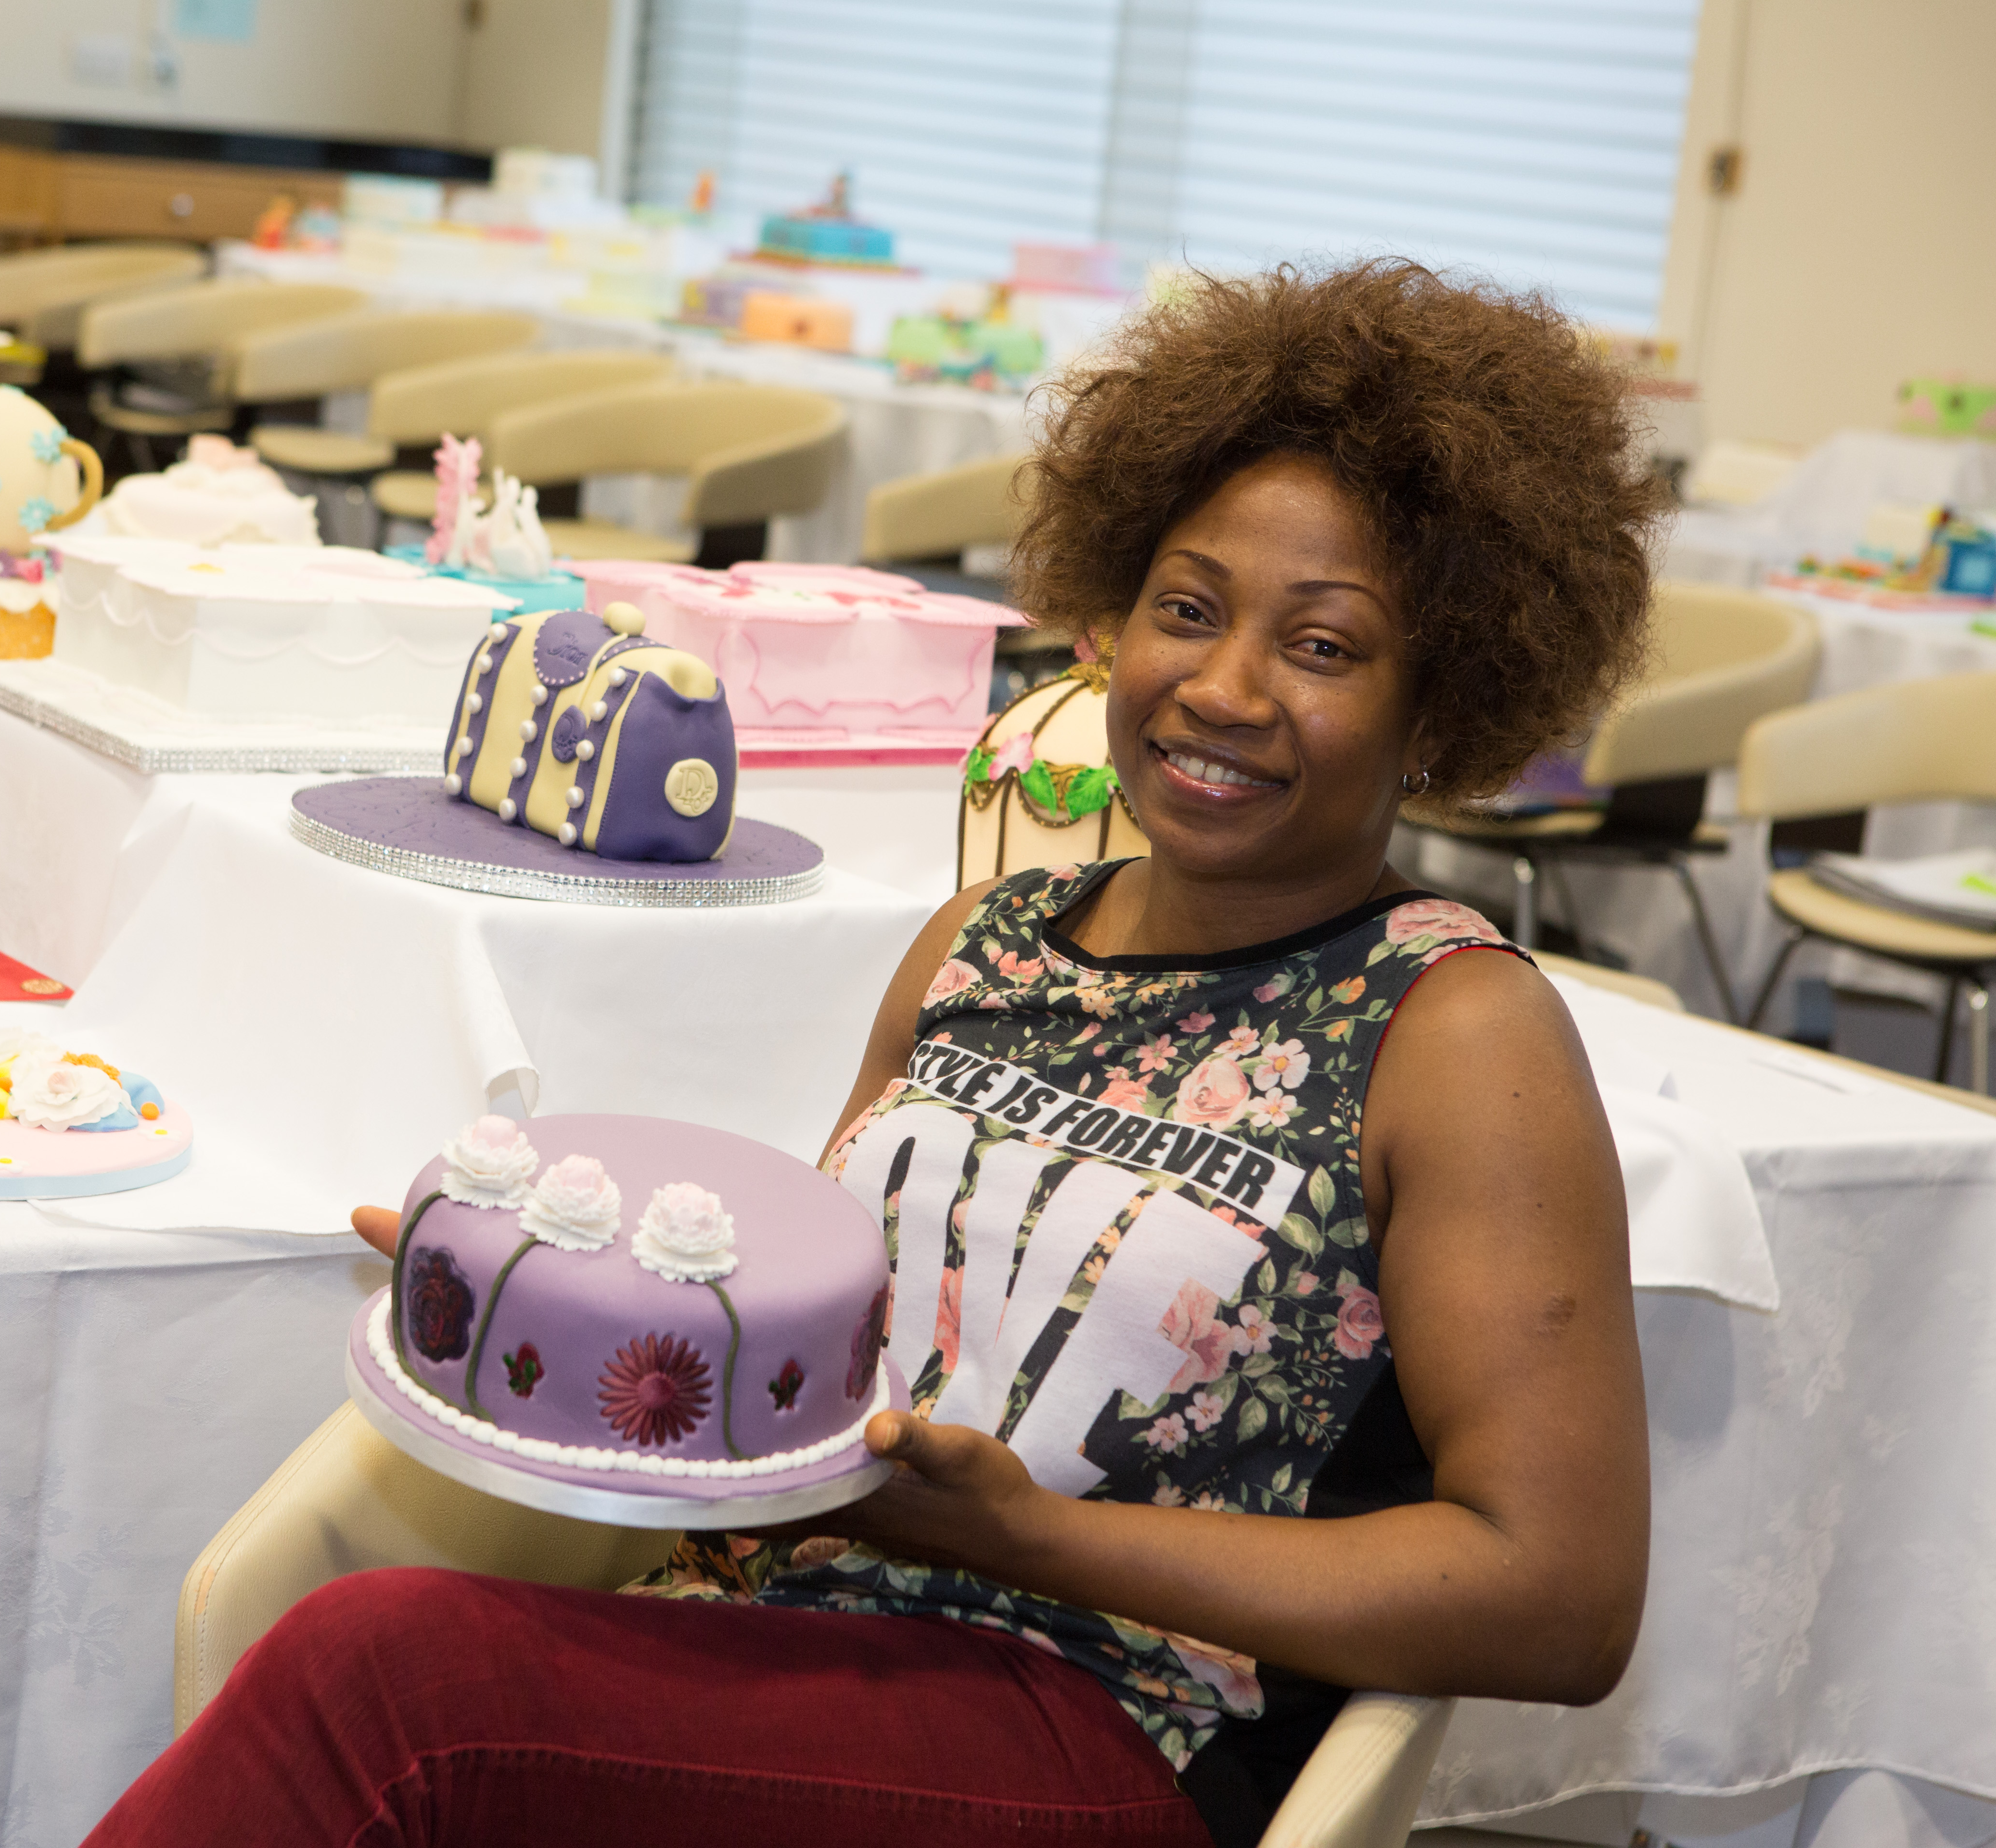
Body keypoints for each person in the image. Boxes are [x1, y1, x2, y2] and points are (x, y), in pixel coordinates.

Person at [86, 258, 1666, 1848]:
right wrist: (532, 1293)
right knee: (381, 1651)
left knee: (391, 1690)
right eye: (1185, 610)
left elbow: (1558, 1600)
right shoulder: (984, 940)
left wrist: (1035, 1540)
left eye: (1323, 648)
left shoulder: (1453, 1031)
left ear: (1440, 697)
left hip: (1109, 1723)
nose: (1224, 687)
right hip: (782, 1639)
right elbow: (826, 1350)